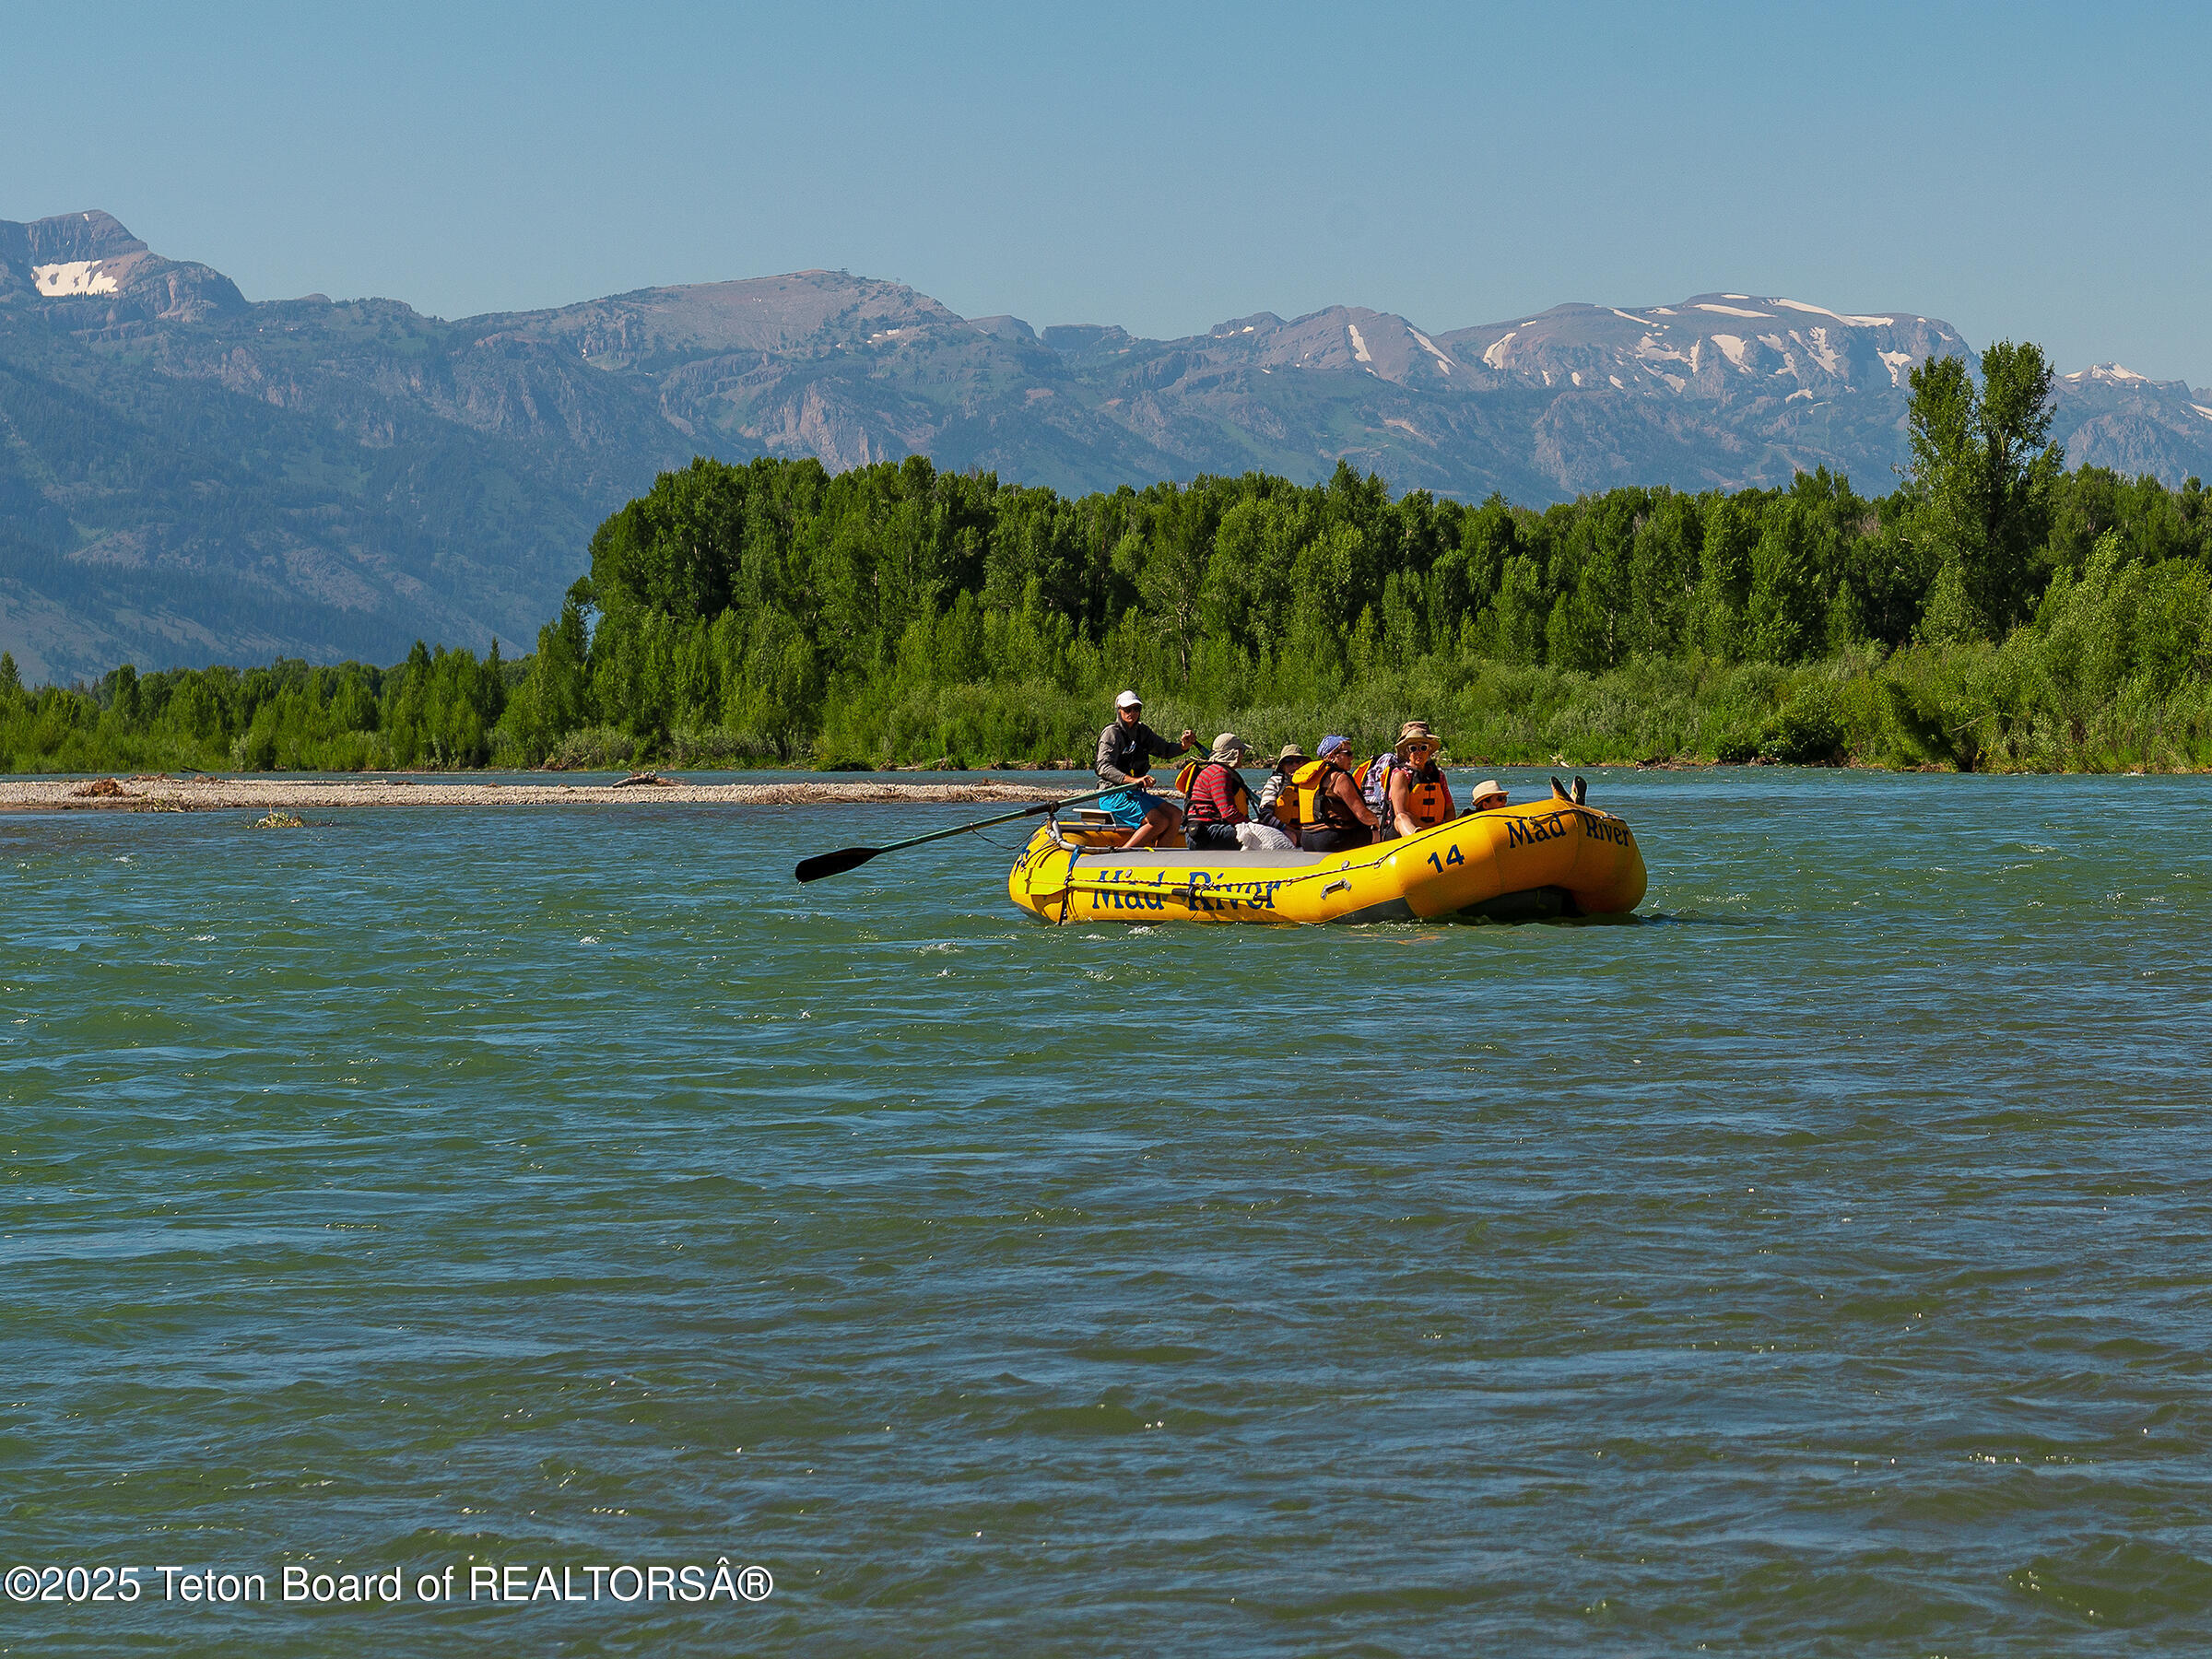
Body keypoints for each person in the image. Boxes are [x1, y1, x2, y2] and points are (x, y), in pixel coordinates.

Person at [1094, 690, 1195, 849]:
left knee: (1176, 815)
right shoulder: (1111, 733)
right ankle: (1122, 854)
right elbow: (1103, 767)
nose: (1132, 713)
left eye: (1136, 709)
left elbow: (1164, 750)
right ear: (1119, 710)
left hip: (1135, 793)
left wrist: (1183, 746)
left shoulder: (1142, 732)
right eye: (1127, 709)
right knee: (1159, 821)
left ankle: (1160, 857)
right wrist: (1134, 780)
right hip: (1112, 794)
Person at [1181, 734, 1296, 852]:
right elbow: (1228, 813)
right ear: (1234, 754)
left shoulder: (1214, 770)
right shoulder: (1219, 774)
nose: (1242, 756)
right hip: (1206, 834)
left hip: (1203, 832)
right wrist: (1253, 826)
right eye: (1242, 752)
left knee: (1261, 829)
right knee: (1269, 835)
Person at [1291, 735, 1377, 853]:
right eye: (1348, 754)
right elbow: (1363, 815)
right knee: (1379, 834)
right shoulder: (1340, 778)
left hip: (1307, 839)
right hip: (1331, 839)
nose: (1352, 758)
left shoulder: (1311, 777)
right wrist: (1378, 822)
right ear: (1332, 756)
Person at [1382, 720, 1455, 839]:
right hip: (1403, 833)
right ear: (1407, 752)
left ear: (1429, 750)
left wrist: (1444, 828)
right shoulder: (1401, 776)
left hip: (1436, 830)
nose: (1419, 753)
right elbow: (1401, 813)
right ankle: (1417, 841)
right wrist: (1429, 830)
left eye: (1423, 748)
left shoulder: (1439, 776)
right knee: (1401, 818)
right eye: (1413, 748)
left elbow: (1449, 809)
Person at [1255, 742, 1309, 845]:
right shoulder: (1275, 782)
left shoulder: (1310, 784)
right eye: (1289, 762)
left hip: (1306, 833)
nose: (1294, 765)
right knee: (1291, 837)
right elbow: (1265, 816)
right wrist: (1294, 832)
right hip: (1280, 831)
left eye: (1298, 761)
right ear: (1283, 766)